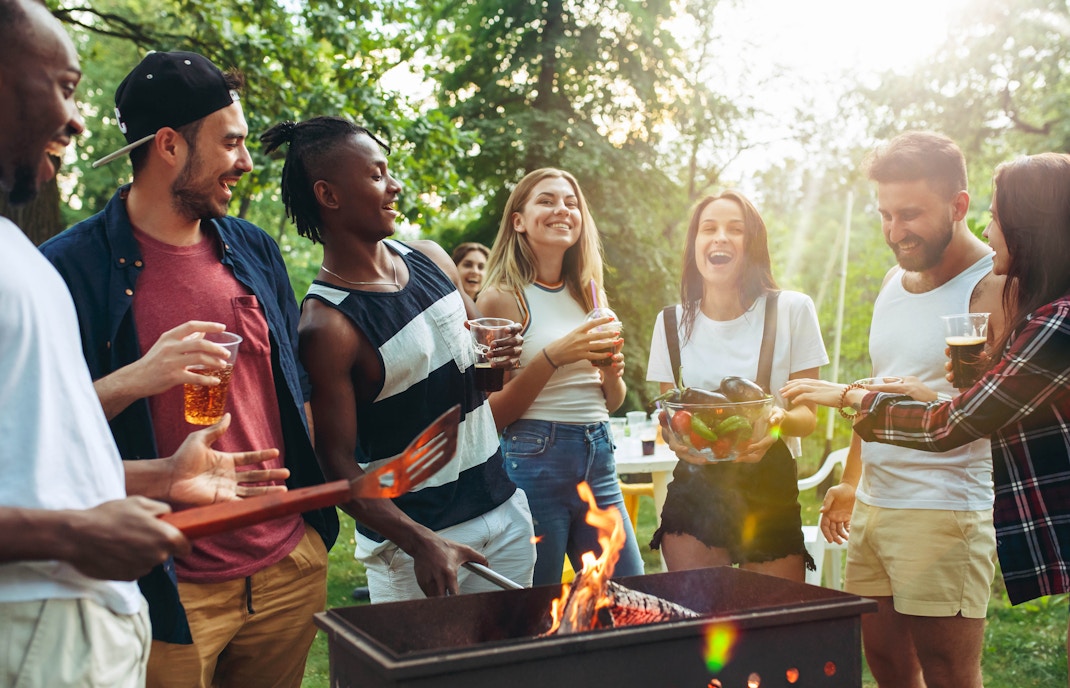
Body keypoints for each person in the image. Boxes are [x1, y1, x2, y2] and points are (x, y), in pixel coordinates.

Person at [0, 5, 287, 686]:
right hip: (133, 599)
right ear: (169, 146)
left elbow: (43, 449)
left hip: (241, 576)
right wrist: (73, 534)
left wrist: (160, 478)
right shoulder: (68, 264)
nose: (75, 118)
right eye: (65, 86)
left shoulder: (19, 259)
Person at [38, 52, 338, 688]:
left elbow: (295, 390)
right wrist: (137, 377)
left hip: (287, 569)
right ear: (169, 145)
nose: (247, 162)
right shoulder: (67, 271)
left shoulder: (253, 249)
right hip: (168, 584)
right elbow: (38, 434)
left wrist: (311, 533)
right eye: (230, 142)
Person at [783, 152, 1070, 688]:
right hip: (877, 502)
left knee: (946, 670)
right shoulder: (896, 282)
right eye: (885, 214)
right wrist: (852, 480)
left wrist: (844, 395)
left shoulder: (1026, 299)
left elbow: (961, 420)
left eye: (909, 214)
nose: (895, 230)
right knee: (886, 661)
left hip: (943, 506)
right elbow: (922, 388)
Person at [260, 115, 535, 601]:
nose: (395, 186)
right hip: (417, 550)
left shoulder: (431, 258)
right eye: (376, 174)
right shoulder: (328, 326)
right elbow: (334, 463)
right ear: (328, 195)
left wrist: (502, 356)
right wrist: (420, 542)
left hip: (506, 513)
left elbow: (482, 375)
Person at [646, 190, 827, 582]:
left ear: (753, 244)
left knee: (770, 626)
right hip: (696, 487)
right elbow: (669, 415)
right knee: (701, 622)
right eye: (708, 229)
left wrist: (777, 421)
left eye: (735, 229)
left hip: (769, 484)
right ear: (695, 244)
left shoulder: (793, 309)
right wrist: (674, 438)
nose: (720, 237)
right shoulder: (670, 323)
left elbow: (807, 417)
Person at [477, 168, 645, 586]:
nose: (562, 210)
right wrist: (553, 356)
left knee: (629, 592)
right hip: (535, 459)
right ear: (518, 220)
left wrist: (611, 372)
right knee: (537, 601)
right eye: (547, 201)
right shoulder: (501, 296)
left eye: (571, 203)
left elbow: (611, 401)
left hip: (599, 455)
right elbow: (491, 415)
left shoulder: (589, 293)